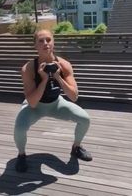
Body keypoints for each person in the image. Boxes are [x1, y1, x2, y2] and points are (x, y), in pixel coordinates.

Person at [14, 29, 92, 172]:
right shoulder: (28, 69)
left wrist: (57, 77)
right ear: (35, 46)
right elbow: (31, 102)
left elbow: (74, 96)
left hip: (56, 103)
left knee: (85, 119)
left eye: (48, 40)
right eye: (41, 41)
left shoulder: (64, 65)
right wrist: (44, 79)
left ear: (53, 42)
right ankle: (21, 155)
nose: (45, 43)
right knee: (19, 128)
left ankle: (76, 148)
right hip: (35, 107)